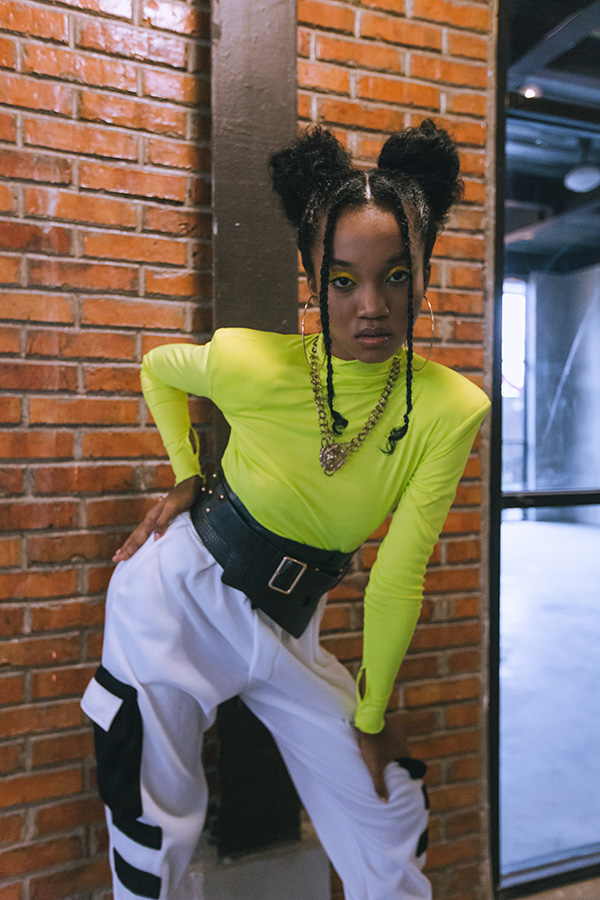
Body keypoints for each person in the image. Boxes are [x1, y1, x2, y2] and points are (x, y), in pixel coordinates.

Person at [81, 119, 490, 900]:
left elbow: (397, 576)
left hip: (289, 625)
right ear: (312, 278)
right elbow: (159, 368)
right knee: (153, 836)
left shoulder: (450, 408)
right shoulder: (251, 362)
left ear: (424, 272)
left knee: (386, 805)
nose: (371, 306)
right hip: (176, 604)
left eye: (395, 276)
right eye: (342, 281)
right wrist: (186, 475)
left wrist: (371, 716)